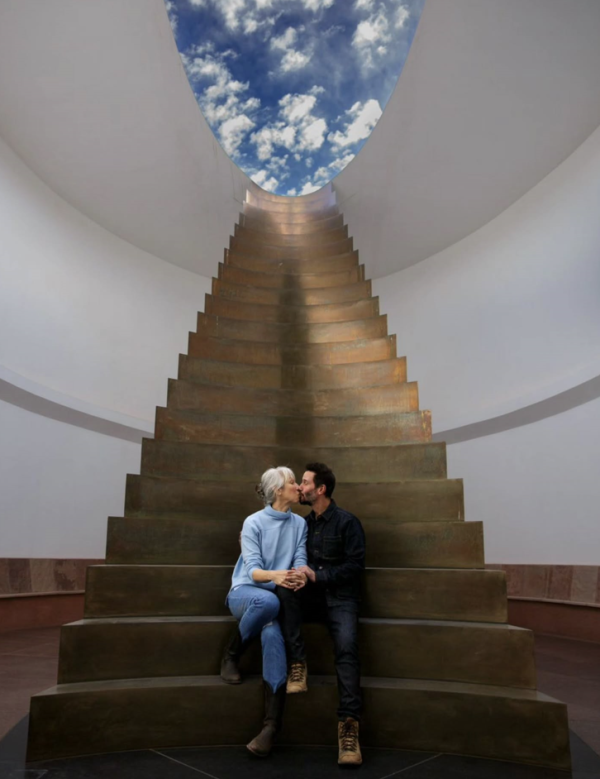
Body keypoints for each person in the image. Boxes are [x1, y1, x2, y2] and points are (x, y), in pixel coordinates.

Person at [278, 462, 366, 767]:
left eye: (304, 482)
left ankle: (349, 728)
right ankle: (298, 664)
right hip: (311, 598)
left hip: (341, 599)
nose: (300, 487)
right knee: (284, 591)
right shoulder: (302, 524)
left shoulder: (347, 522)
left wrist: (318, 575)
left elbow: (355, 567)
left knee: (346, 648)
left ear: (321, 489)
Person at [220, 466, 307, 757]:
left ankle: (270, 727)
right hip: (246, 593)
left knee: (272, 635)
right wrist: (278, 576)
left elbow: (300, 559)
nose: (298, 486)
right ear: (278, 490)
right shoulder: (253, 522)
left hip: (276, 597)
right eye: (292, 482)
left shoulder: (299, 524)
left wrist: (299, 575)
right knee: (268, 604)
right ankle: (231, 654)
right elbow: (254, 571)